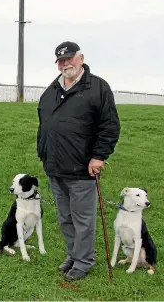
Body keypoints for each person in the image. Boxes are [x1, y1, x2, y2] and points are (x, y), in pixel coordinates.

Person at [36, 41, 120, 281]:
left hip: (83, 167)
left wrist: (98, 156)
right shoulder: (52, 89)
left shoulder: (98, 88)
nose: (65, 64)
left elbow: (109, 126)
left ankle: (83, 262)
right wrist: (42, 151)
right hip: (55, 166)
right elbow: (44, 124)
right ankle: (73, 255)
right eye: (61, 61)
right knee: (65, 217)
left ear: (80, 58)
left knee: (83, 219)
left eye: (69, 59)